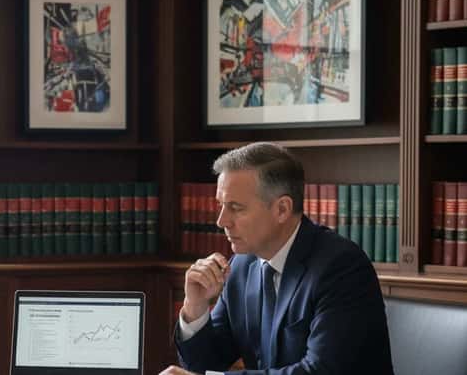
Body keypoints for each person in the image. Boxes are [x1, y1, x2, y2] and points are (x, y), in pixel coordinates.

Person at [162, 142, 393, 375]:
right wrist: (195, 307)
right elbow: (205, 366)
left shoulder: (342, 267)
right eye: (221, 205)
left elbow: (320, 371)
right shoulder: (241, 265)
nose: (222, 221)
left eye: (236, 207)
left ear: (282, 209)